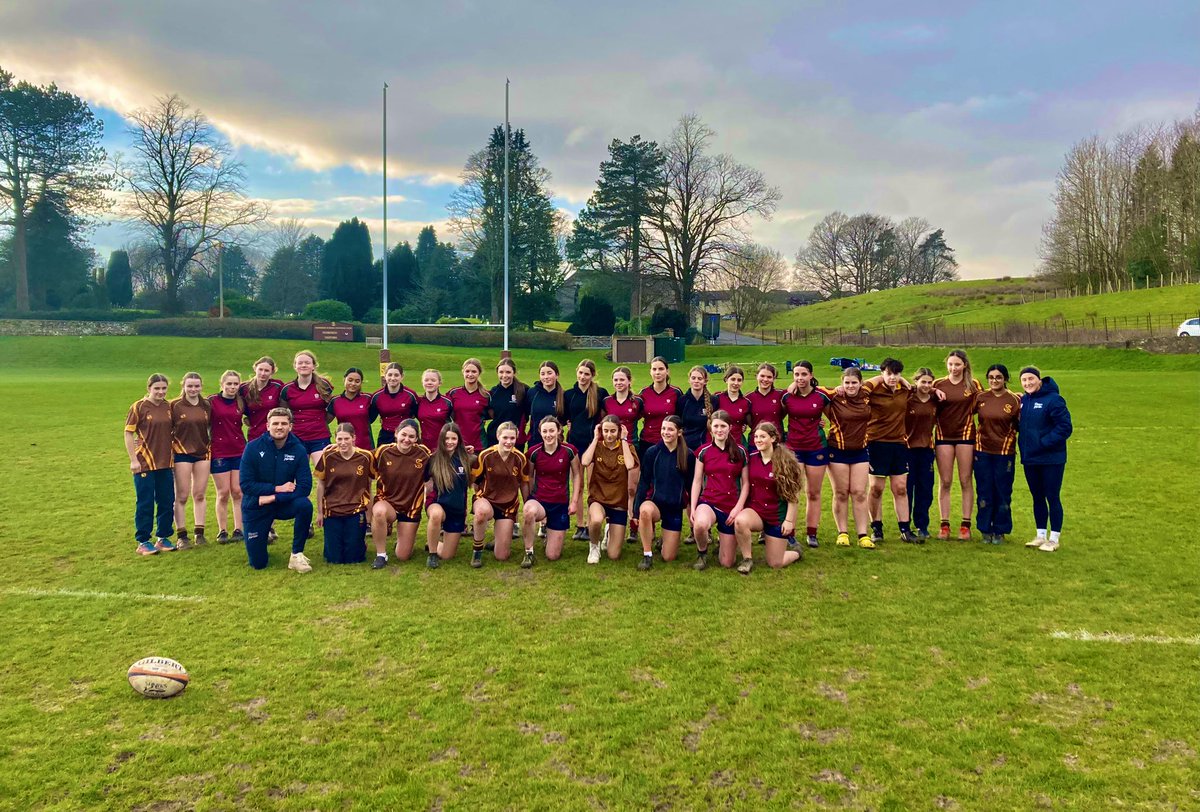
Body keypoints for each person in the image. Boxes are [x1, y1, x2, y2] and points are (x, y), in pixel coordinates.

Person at [239, 407, 314, 572]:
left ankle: (296, 555)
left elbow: (305, 487)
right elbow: (246, 485)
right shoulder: (252, 448)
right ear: (267, 426)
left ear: (290, 426)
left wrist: (274, 497)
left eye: (284, 423)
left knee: (304, 505)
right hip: (256, 505)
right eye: (275, 423)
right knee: (258, 563)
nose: (279, 427)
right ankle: (261, 535)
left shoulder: (298, 449)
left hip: (279, 503)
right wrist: (277, 488)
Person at [860, 358, 918, 544]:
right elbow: (860, 390)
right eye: (889, 373)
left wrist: (903, 382)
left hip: (899, 443)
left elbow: (923, 390)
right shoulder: (874, 389)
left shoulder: (905, 390)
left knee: (900, 488)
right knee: (877, 488)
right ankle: (876, 527)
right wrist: (879, 378)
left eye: (897, 374)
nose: (893, 377)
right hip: (876, 443)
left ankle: (905, 529)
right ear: (882, 373)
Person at [733, 422, 804, 573]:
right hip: (756, 511)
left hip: (776, 515)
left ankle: (797, 552)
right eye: (756, 437)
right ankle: (747, 559)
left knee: (776, 563)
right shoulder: (751, 459)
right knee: (740, 521)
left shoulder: (786, 462)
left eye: (762, 437)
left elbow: (793, 495)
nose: (758, 440)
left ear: (772, 438)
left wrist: (789, 521)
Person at [1018, 367, 1072, 552]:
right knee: (1037, 497)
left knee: (1052, 496)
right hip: (1030, 458)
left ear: (1039, 380)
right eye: (1024, 380)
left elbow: (1065, 427)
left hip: (1051, 459)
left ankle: (1054, 538)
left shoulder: (1054, 400)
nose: (1028, 383)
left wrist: (1044, 442)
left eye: (1031, 379)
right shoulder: (1024, 400)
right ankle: (1040, 535)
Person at [821, 367, 874, 549]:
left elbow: (881, 378)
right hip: (838, 450)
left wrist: (905, 381)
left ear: (860, 383)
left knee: (859, 493)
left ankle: (863, 534)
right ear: (842, 382)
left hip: (860, 450)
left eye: (854, 382)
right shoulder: (834, 396)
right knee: (841, 493)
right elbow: (812, 389)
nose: (850, 386)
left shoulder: (866, 393)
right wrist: (835, 389)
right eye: (847, 382)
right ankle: (842, 532)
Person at [125, 374, 177, 556]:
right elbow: (128, 434)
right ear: (149, 388)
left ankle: (163, 537)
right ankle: (143, 541)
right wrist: (133, 460)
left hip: (166, 462)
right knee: (145, 502)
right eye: (157, 388)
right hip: (144, 463)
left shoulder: (168, 406)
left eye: (164, 388)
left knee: (166, 500)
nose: (161, 392)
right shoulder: (138, 407)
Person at [633, 415, 695, 570]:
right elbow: (643, 483)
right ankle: (647, 555)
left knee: (668, 557)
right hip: (654, 504)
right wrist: (635, 512)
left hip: (674, 508)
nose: (666, 432)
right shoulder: (652, 452)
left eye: (670, 429)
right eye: (663, 428)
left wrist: (695, 510)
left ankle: (664, 541)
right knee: (645, 512)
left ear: (679, 432)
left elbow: (692, 486)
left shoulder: (688, 455)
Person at [690, 410, 749, 570]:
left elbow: (745, 483)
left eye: (723, 426)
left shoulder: (741, 451)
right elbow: (696, 481)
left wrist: (738, 508)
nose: (719, 430)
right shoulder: (704, 451)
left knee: (727, 563)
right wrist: (693, 508)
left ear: (730, 428)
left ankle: (724, 544)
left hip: (730, 507)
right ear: (711, 429)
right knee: (700, 525)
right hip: (709, 502)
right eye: (716, 426)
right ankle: (702, 553)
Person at [520, 416, 582, 568]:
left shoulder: (569, 451)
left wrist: (574, 502)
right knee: (528, 511)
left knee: (552, 556)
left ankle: (549, 532)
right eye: (545, 431)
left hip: (559, 503)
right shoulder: (533, 452)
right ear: (540, 432)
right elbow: (529, 477)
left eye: (552, 431)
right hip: (540, 500)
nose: (548, 435)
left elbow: (577, 475)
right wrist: (529, 500)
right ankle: (529, 552)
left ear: (559, 431)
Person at [934, 350, 982, 540]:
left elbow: (985, 403)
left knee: (965, 480)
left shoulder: (973, 384)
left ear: (965, 365)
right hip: (943, 436)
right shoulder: (938, 384)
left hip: (966, 436)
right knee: (945, 481)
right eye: (950, 364)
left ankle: (965, 525)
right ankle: (944, 525)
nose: (953, 368)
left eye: (957, 365)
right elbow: (920, 391)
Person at [369, 419, 430, 568]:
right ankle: (381, 555)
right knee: (378, 512)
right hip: (388, 502)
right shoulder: (383, 451)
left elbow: (442, 460)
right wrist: (335, 448)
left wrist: (463, 452)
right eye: (403, 435)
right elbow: (360, 457)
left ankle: (404, 539)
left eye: (411, 437)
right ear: (396, 433)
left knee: (403, 556)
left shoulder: (423, 453)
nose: (406, 440)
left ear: (416, 439)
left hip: (411, 508)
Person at [782, 361, 829, 548]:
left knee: (814, 492)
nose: (800, 378)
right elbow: (776, 416)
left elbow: (833, 416)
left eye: (803, 374)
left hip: (816, 448)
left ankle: (812, 532)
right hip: (794, 448)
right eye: (796, 374)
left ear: (811, 375)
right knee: (793, 491)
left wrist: (822, 424)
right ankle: (790, 532)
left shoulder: (821, 397)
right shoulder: (787, 397)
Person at [468, 422, 528, 568]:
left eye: (512, 438)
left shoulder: (520, 458)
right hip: (487, 499)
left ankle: (499, 538)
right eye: (505, 437)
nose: (508, 442)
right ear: (498, 436)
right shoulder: (486, 455)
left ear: (517, 438)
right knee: (481, 513)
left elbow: (524, 483)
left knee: (502, 556)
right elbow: (474, 480)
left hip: (508, 505)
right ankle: (477, 550)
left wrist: (527, 503)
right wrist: (480, 495)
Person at [314, 423, 374, 564]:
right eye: (339, 439)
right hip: (332, 510)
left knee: (354, 558)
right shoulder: (328, 456)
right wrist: (320, 512)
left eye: (346, 439)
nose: (342, 443)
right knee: (334, 558)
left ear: (354, 438)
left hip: (356, 510)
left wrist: (369, 516)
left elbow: (369, 485)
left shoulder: (365, 457)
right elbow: (321, 485)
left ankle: (359, 544)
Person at [974, 364, 1021, 544]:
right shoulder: (980, 397)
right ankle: (985, 529)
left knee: (1002, 491)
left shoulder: (1014, 400)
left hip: (1004, 452)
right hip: (982, 451)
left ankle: (1000, 530)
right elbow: (964, 413)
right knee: (984, 490)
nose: (995, 380)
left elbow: (1020, 425)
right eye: (991, 377)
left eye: (998, 377)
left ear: (1005, 379)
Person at [580, 416, 637, 563]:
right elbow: (585, 461)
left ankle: (608, 532)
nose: (609, 435)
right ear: (601, 431)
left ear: (619, 431)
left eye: (613, 431)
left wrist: (624, 440)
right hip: (598, 497)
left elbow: (630, 465)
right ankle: (594, 546)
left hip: (618, 501)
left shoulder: (627, 447)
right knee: (597, 520)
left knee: (613, 555)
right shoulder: (597, 446)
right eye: (605, 431)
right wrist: (595, 439)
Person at [565, 359, 608, 540]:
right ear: (577, 372)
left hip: (592, 446)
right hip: (574, 445)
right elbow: (564, 418)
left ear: (592, 375)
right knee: (578, 485)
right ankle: (580, 525)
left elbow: (606, 417)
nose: (583, 377)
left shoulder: (599, 393)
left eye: (587, 374)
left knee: (592, 486)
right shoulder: (569, 395)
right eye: (580, 373)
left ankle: (592, 524)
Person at [169, 371, 211, 548]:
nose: (193, 389)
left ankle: (199, 533)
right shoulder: (174, 405)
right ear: (183, 386)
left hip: (203, 453)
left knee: (199, 494)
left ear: (201, 386)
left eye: (196, 386)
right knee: (182, 495)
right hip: (181, 453)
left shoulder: (207, 404)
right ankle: (182, 535)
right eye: (190, 386)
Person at [425, 422, 474, 568]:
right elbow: (424, 481)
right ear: (441, 439)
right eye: (446, 439)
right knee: (436, 515)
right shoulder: (433, 459)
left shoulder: (468, 459)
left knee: (447, 556)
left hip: (457, 510)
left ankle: (432, 542)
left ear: (459, 440)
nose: (450, 442)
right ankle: (432, 554)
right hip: (437, 504)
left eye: (453, 439)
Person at [604, 366, 643, 535]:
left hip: (632, 445)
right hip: (611, 448)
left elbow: (642, 417)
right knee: (613, 486)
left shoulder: (637, 402)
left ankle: (633, 523)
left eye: (622, 379)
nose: (619, 383)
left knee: (632, 488)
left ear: (629, 381)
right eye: (616, 380)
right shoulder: (607, 401)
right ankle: (610, 524)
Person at [209, 370, 246, 544]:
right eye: (229, 383)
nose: (232, 387)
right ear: (222, 384)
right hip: (219, 451)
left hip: (239, 450)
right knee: (223, 492)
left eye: (235, 384)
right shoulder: (211, 401)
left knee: (238, 492)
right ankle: (222, 530)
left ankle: (239, 529)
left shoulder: (241, 402)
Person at [280, 350, 335, 466]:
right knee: (296, 474)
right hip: (296, 436)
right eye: (300, 363)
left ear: (314, 366)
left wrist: (319, 422)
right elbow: (284, 414)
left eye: (307, 363)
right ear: (295, 366)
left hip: (320, 436)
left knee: (324, 474)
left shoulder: (324, 385)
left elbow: (331, 409)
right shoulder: (287, 389)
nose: (303, 365)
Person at [905, 368, 938, 541]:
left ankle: (922, 525)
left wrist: (934, 390)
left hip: (927, 450)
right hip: (908, 449)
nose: (926, 385)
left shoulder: (935, 400)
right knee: (907, 489)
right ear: (916, 381)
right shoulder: (908, 399)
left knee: (925, 490)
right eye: (922, 382)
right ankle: (905, 524)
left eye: (929, 382)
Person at [637, 356, 681, 459]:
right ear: (650, 372)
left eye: (661, 369)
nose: (657, 372)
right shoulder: (644, 393)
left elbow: (680, 418)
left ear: (667, 371)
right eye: (654, 369)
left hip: (670, 442)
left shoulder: (675, 392)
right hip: (647, 442)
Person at [448, 358, 491, 453]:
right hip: (457, 443)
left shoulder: (486, 395)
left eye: (474, 371)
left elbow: (492, 414)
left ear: (479, 373)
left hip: (479, 444)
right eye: (467, 371)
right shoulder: (453, 393)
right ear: (463, 372)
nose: (470, 374)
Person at [487, 358, 529, 451]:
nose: (504, 375)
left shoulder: (523, 390)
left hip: (515, 441)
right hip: (495, 439)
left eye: (508, 372)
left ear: (514, 372)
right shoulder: (493, 392)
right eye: (501, 372)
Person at [371, 362, 417, 446]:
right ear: (385, 376)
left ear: (402, 376)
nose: (393, 378)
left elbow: (417, 414)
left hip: (406, 436)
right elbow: (369, 419)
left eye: (396, 375)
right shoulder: (377, 396)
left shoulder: (410, 395)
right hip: (386, 436)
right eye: (390, 375)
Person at [328, 368, 374, 450]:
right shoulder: (335, 401)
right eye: (350, 380)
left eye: (357, 381)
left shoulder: (368, 398)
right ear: (344, 380)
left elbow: (374, 416)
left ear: (361, 383)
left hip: (365, 446)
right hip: (344, 446)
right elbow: (325, 421)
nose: (353, 383)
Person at [240, 356, 284, 442]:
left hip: (274, 434)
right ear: (255, 368)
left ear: (272, 372)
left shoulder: (278, 386)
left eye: (267, 371)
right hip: (254, 434)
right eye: (260, 369)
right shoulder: (244, 388)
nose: (263, 373)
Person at [415, 369, 454, 453]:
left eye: (433, 380)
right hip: (424, 446)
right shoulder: (418, 401)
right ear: (422, 383)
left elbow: (456, 422)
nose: (429, 382)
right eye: (426, 380)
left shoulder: (447, 402)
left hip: (443, 446)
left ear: (439, 383)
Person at [526, 361, 565, 441]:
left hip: (555, 442)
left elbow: (565, 419)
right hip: (535, 441)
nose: (546, 377)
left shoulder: (563, 395)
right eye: (543, 374)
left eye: (549, 373)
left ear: (557, 375)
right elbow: (525, 414)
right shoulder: (532, 392)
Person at [713, 365, 751, 446]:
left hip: (738, 443)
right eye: (733, 379)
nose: (736, 383)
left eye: (739, 380)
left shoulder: (746, 402)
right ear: (726, 380)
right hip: (719, 443)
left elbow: (748, 423)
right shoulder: (717, 398)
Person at [746, 363, 785, 439]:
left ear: (774, 378)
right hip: (756, 442)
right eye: (762, 376)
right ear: (756, 376)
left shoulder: (781, 395)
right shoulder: (748, 398)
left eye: (769, 377)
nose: (765, 379)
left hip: (776, 441)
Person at [679, 366, 713, 450]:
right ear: (689, 380)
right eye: (693, 378)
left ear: (705, 381)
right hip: (685, 446)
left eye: (700, 378)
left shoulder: (713, 400)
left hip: (705, 446)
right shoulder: (682, 400)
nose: (696, 381)